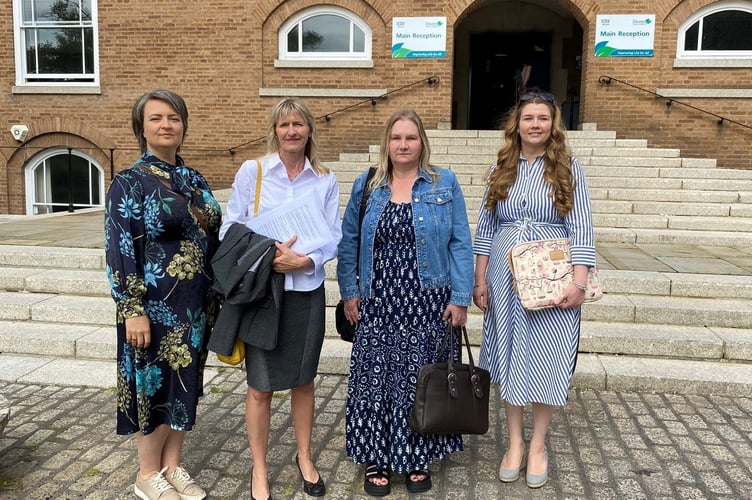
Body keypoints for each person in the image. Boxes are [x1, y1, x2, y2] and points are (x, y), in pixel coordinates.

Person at [337, 109, 474, 496]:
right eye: (396, 138)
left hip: (428, 299)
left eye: (410, 138)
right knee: (375, 380)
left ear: (422, 143)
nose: (402, 145)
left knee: (421, 379)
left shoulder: (443, 182)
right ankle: (376, 456)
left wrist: (460, 297)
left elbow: (460, 242)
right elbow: (349, 242)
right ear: (387, 143)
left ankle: (417, 455)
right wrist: (350, 291)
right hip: (378, 300)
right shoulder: (367, 184)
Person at [472, 91, 596, 489]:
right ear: (517, 124)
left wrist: (580, 282)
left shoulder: (567, 167)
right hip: (505, 278)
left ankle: (538, 444)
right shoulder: (501, 165)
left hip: (552, 277)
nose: (536, 124)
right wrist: (479, 278)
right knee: (508, 357)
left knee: (548, 358)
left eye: (543, 117)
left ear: (553, 124)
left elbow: (581, 228)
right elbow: (486, 228)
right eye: (528, 117)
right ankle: (514, 443)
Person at [219, 97, 341, 500]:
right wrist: (268, 255)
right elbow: (229, 229)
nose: (292, 131)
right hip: (262, 294)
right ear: (275, 130)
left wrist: (304, 259)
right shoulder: (252, 172)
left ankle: (304, 457)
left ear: (310, 130)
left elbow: (335, 234)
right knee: (261, 387)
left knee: (304, 382)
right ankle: (259, 468)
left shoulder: (324, 178)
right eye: (284, 124)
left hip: (305, 292)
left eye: (299, 124)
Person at [105, 89, 222, 500]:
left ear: (184, 125)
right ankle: (146, 473)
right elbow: (119, 249)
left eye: (173, 117)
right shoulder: (129, 183)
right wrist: (131, 308)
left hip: (195, 306)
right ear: (142, 128)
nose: (166, 125)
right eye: (156, 118)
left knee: (183, 384)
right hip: (152, 305)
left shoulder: (194, 179)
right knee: (152, 385)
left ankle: (172, 466)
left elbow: (215, 233)